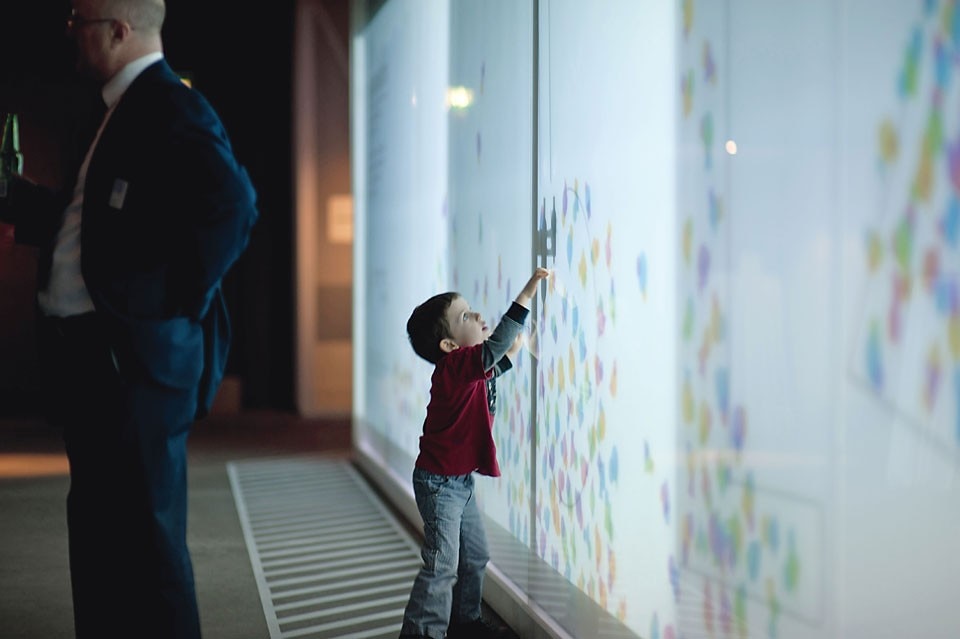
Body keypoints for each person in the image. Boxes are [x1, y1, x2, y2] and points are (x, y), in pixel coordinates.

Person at [0, 1, 258, 637]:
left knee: (147, 545)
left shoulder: (171, 106)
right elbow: (89, 225)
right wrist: (15, 197)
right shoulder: (114, 108)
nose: (69, 32)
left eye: (78, 20)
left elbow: (234, 208)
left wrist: (168, 306)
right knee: (97, 532)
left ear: (118, 31)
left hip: (133, 366)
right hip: (94, 362)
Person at [399, 267, 551, 639]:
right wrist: (528, 292)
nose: (479, 316)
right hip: (439, 484)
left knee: (476, 556)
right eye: (466, 316)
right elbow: (495, 348)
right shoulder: (453, 368)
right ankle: (421, 633)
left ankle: (465, 623)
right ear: (449, 346)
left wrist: (519, 349)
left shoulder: (469, 372)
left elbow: (496, 365)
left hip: (458, 481)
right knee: (441, 566)